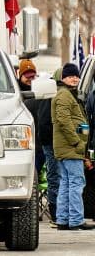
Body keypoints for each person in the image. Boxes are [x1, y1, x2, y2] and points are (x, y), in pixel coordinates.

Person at [52, 62, 93, 231]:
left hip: (66, 148)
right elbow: (64, 120)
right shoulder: (64, 96)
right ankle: (76, 220)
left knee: (67, 183)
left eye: (76, 76)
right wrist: (77, 142)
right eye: (70, 76)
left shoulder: (67, 94)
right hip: (70, 147)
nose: (74, 79)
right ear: (63, 78)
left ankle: (63, 219)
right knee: (76, 183)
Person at [35, 67, 60, 224]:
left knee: (56, 177)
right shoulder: (51, 95)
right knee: (54, 177)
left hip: (50, 142)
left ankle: (58, 211)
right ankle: (55, 211)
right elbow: (44, 122)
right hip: (50, 143)